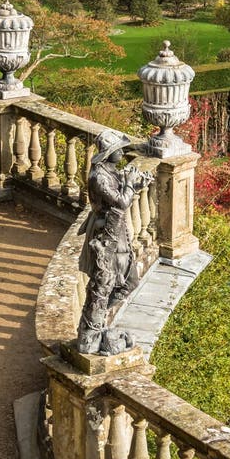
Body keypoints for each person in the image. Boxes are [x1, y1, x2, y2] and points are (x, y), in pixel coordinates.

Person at [76, 129, 151, 355]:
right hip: (105, 236)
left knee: (129, 282)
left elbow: (121, 199)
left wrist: (136, 186)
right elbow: (120, 203)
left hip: (117, 233)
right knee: (104, 282)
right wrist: (129, 184)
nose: (122, 152)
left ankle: (94, 320)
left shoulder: (109, 171)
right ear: (109, 152)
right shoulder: (99, 176)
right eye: (118, 149)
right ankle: (90, 329)